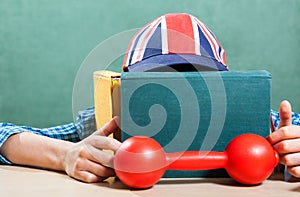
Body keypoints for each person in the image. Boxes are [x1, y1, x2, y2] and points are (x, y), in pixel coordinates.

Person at [1, 13, 299, 183]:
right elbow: (3, 136)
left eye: (198, 82)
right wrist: (65, 155)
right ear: (124, 86)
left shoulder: (264, 125)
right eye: (160, 82)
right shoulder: (105, 126)